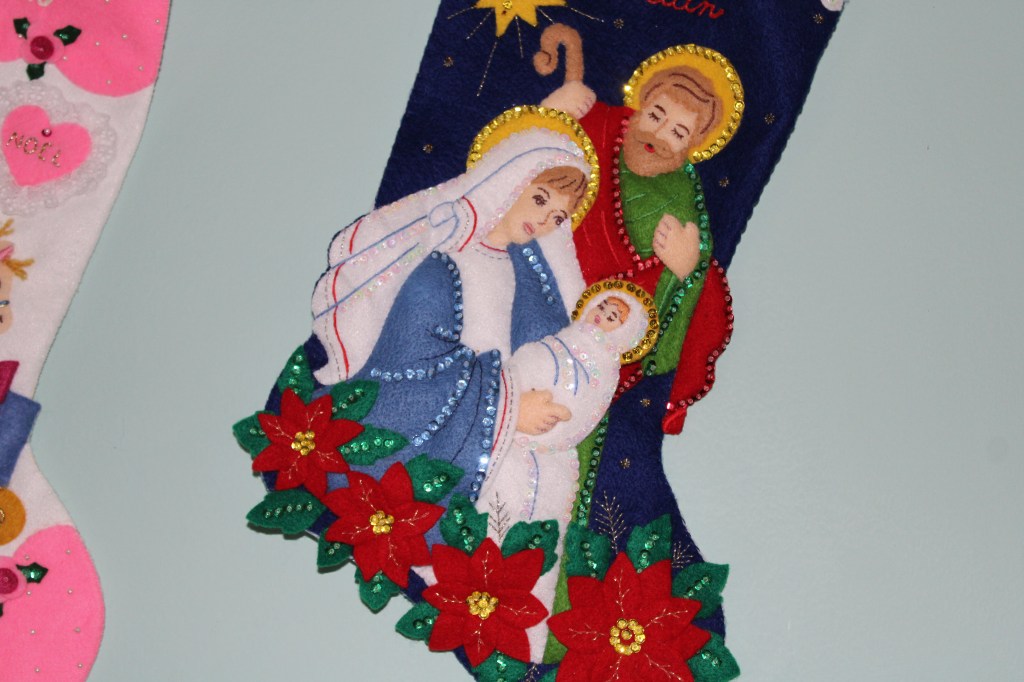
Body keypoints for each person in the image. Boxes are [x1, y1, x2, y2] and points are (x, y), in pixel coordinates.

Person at [309, 127, 594, 507]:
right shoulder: (445, 258)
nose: (544, 221)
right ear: (511, 180)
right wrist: (507, 408)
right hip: (423, 429)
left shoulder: (522, 273)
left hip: (483, 429)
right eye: (540, 199)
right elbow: (409, 363)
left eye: (558, 218)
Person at [476, 283, 655, 661]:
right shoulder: (561, 339)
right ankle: (472, 583)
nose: (603, 316)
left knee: (530, 523)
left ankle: (517, 626)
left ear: (624, 333)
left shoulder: (603, 367)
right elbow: (525, 363)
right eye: (603, 307)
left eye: (614, 317)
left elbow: (580, 411)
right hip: (505, 429)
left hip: (545, 455)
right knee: (488, 504)